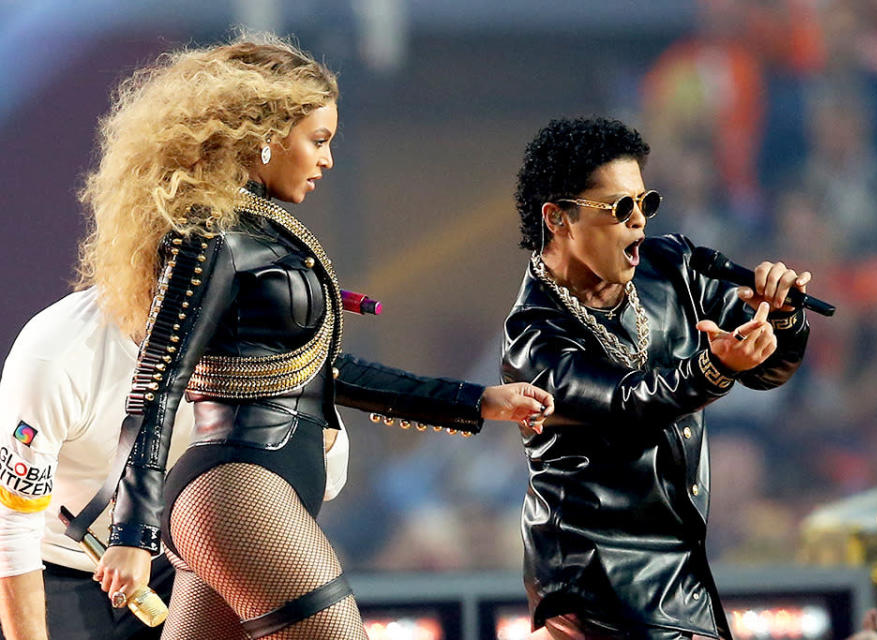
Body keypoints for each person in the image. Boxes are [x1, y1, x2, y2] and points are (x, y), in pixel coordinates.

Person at [80, 34, 553, 640]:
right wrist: (130, 536)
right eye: (319, 140)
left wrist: (477, 401)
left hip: (244, 497)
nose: (327, 159)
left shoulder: (260, 231)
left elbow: (319, 368)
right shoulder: (212, 236)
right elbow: (155, 386)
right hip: (238, 496)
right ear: (266, 135)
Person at [501, 117, 811, 639]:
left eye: (646, 204)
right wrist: (715, 368)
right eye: (621, 208)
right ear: (558, 219)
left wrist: (780, 317)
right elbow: (627, 406)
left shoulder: (669, 269)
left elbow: (767, 369)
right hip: (595, 580)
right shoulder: (534, 338)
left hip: (682, 569)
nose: (640, 222)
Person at [0, 287, 350, 640]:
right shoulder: (55, 352)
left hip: (180, 554)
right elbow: (11, 530)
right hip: (54, 562)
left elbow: (325, 485)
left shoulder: (256, 336)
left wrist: (314, 413)